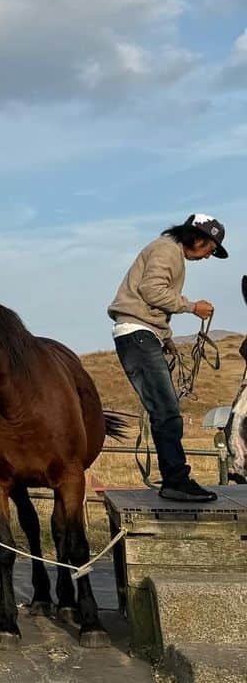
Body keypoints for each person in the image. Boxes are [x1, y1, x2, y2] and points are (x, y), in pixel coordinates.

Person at [109, 213, 227, 503]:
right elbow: (152, 290)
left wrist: (164, 337)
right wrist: (191, 306)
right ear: (198, 238)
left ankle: (175, 478)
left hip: (143, 333)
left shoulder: (167, 250)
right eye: (210, 249)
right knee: (166, 411)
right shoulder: (167, 250)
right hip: (137, 334)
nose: (208, 256)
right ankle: (176, 480)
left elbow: (148, 295)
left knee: (166, 410)